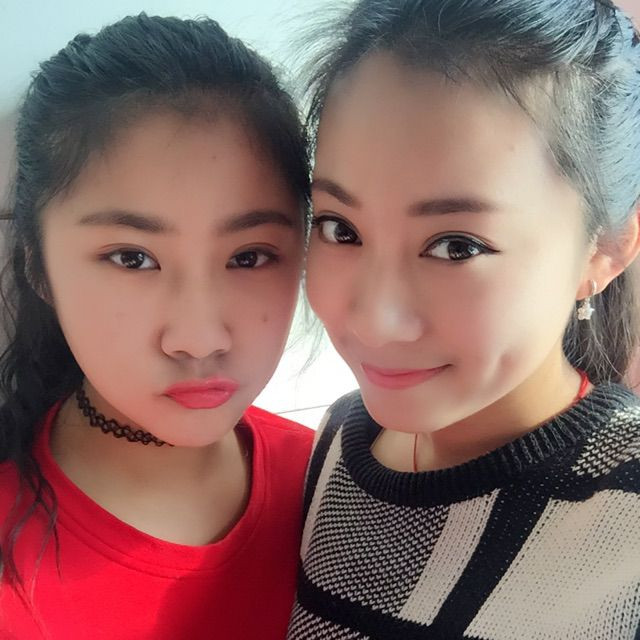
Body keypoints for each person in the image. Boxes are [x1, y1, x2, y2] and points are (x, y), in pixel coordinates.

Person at [287, 0, 640, 638]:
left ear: (607, 249)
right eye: (340, 228)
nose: (375, 322)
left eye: (457, 246)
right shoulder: (338, 439)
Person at [0, 14, 312, 640]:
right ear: (38, 266)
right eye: (132, 258)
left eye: (249, 256)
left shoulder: (334, 486)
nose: (199, 339)